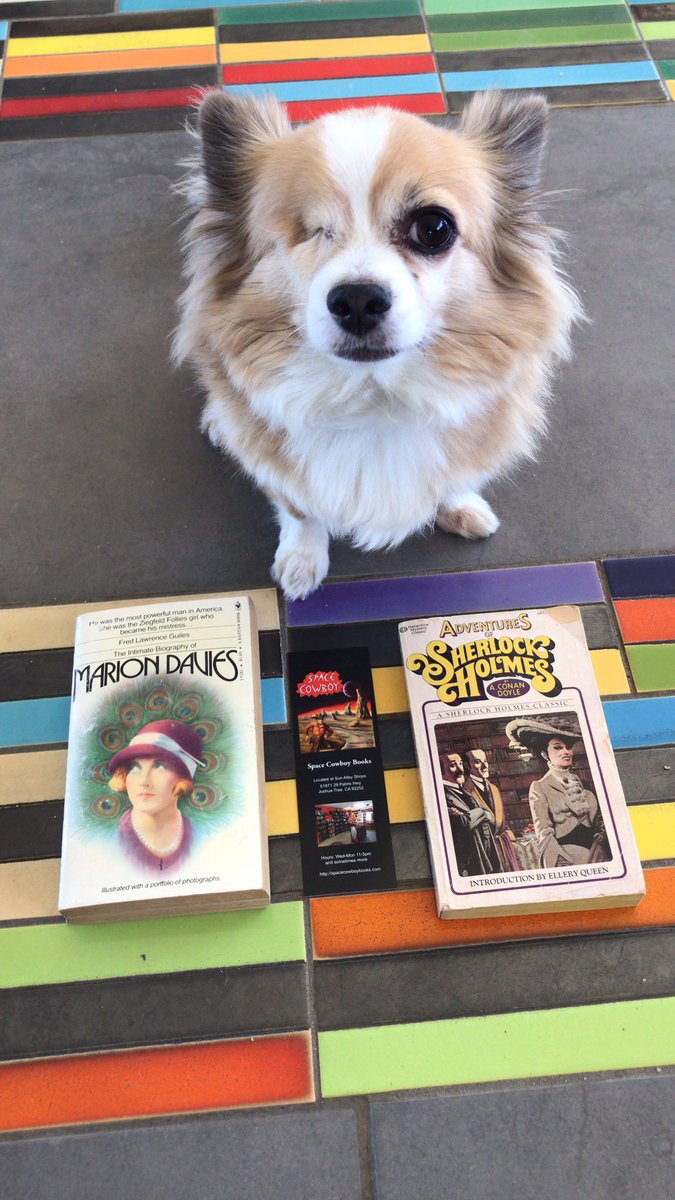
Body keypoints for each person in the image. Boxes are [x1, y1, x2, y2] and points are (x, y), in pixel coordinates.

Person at [505, 717, 610, 868]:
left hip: (598, 855)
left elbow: (600, 821)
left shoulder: (585, 787)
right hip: (566, 858)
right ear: (544, 754)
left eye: (568, 747)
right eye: (558, 747)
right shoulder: (540, 787)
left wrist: (600, 842)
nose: (566, 752)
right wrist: (559, 859)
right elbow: (544, 832)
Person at [108, 718, 205, 873]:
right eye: (134, 768)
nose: (144, 782)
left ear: (183, 779)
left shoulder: (201, 837)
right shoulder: (107, 841)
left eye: (160, 766)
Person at [441, 751, 502, 876]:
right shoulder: (442, 795)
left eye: (461, 764)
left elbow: (478, 820)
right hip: (468, 863)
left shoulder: (466, 794)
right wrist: (481, 812)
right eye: (453, 765)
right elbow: (463, 823)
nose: (460, 769)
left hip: (486, 859)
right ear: (440, 771)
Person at [463, 748, 519, 872]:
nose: (484, 766)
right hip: (485, 850)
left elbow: (502, 821)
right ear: (467, 766)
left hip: (505, 848)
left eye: (485, 761)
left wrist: (511, 839)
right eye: (478, 762)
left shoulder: (494, 788)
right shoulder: (465, 789)